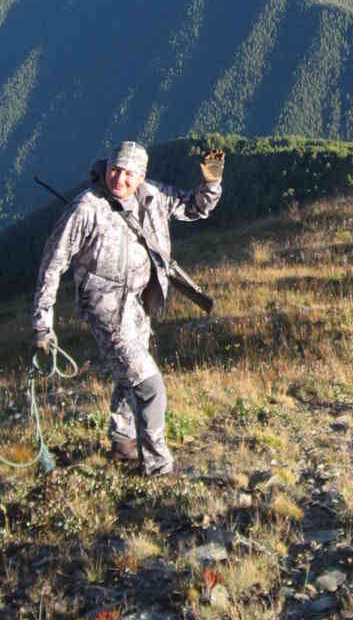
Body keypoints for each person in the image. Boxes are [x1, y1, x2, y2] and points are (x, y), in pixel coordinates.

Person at [32, 141, 224, 476]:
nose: (119, 179)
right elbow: (52, 264)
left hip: (138, 302)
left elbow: (194, 208)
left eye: (128, 173)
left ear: (141, 175)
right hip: (104, 305)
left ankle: (123, 440)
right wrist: (41, 323)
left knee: (129, 374)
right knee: (149, 385)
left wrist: (211, 184)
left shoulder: (152, 196)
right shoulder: (86, 208)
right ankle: (158, 466)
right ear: (106, 167)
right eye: (114, 170)